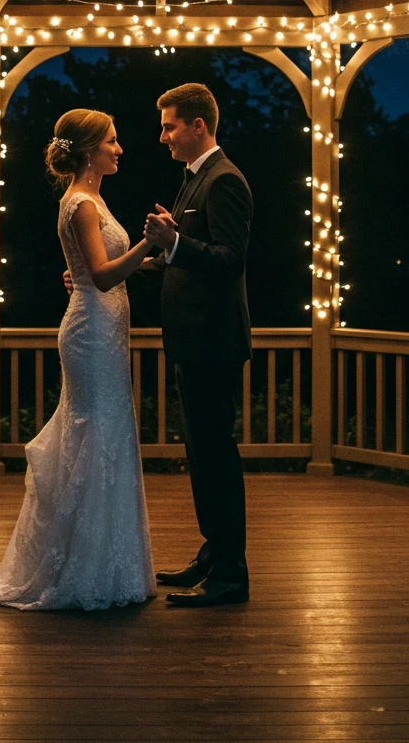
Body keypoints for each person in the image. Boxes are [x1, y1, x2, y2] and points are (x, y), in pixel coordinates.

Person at [0, 109, 155, 610]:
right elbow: (104, 276)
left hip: (102, 330)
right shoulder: (82, 204)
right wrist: (152, 241)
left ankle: (105, 562)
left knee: (104, 434)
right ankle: (82, 568)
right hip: (91, 333)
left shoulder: (90, 200)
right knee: (93, 435)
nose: (119, 149)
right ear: (89, 150)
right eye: (112, 141)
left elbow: (93, 270)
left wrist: (146, 261)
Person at [140, 83, 253, 607]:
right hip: (192, 340)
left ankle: (231, 572)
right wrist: (120, 273)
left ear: (197, 126)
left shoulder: (225, 181)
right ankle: (213, 552)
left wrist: (175, 242)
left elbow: (229, 260)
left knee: (216, 456)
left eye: (169, 126)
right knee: (201, 454)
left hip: (214, 341)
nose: (163, 136)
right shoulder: (193, 179)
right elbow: (177, 261)